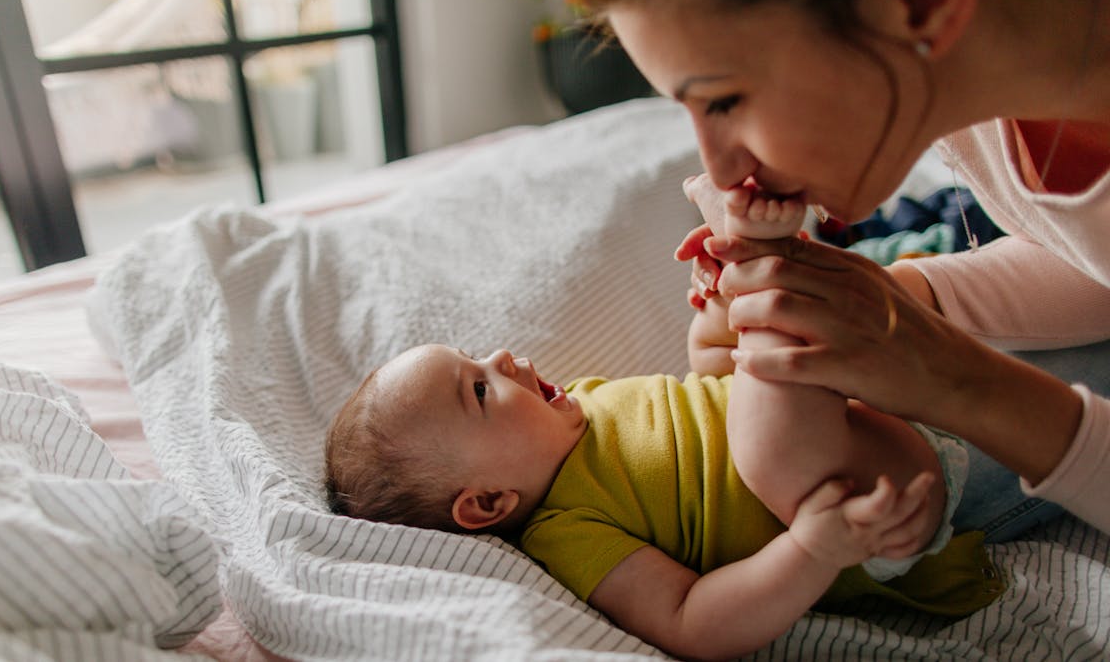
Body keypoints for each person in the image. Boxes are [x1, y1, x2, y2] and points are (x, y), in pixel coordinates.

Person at [566, 0, 1110, 537]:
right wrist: (897, 299)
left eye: (726, 100)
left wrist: (957, 379)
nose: (724, 171)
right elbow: (1090, 257)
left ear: (919, 2)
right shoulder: (979, 88)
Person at [324, 273, 1003, 660]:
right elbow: (691, 620)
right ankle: (766, 256)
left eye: (475, 354)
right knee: (770, 407)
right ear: (489, 503)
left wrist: (712, 324)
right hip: (861, 504)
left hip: (876, 411)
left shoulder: (584, 401)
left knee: (748, 351)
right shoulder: (567, 530)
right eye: (477, 389)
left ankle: (767, 284)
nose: (501, 357)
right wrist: (811, 549)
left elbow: (705, 392)